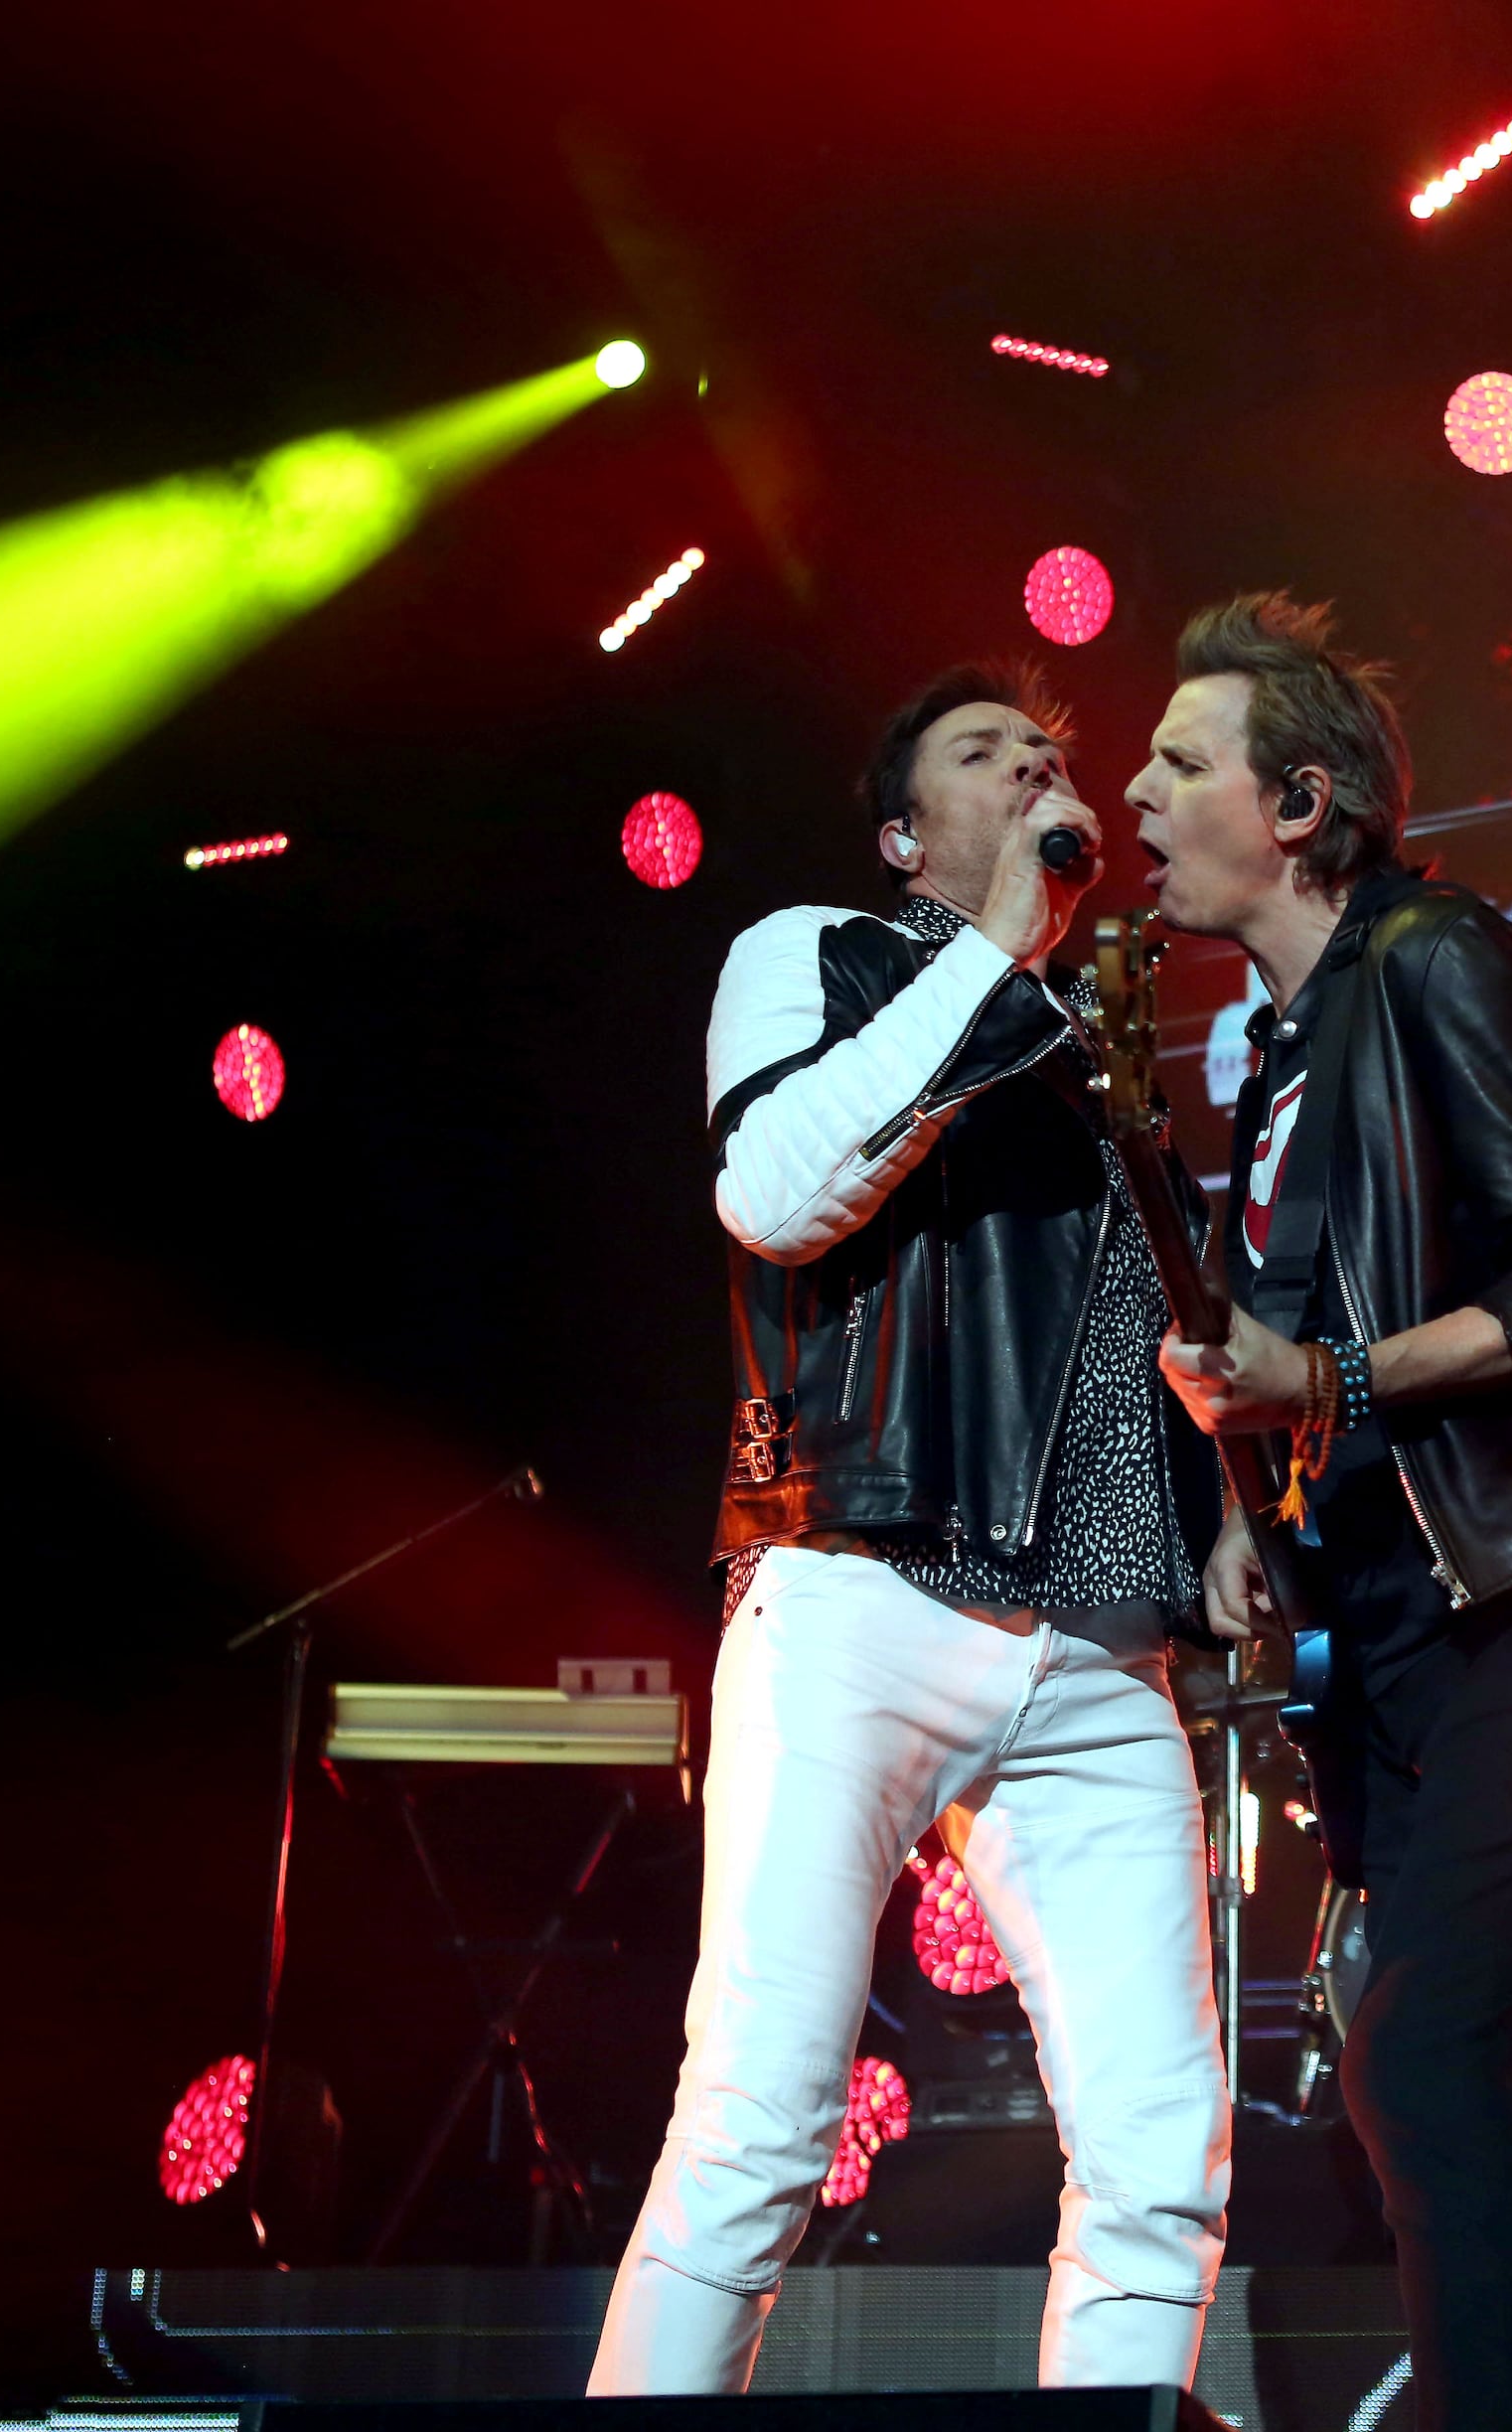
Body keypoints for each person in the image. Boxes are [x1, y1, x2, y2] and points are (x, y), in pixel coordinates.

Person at [591, 665, 1230, 2394]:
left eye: (1049, 751)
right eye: (982, 751)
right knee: (759, 2124)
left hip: (1097, 1640)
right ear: (902, 834)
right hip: (864, 1589)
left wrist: (1211, 1509)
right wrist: (998, 944)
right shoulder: (815, 951)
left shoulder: (1105, 1027)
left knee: (1166, 2154)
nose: (1037, 761)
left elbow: (1142, 1326)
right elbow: (777, 1194)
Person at [1130, 591, 1512, 2432]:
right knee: (1435, 2077)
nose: (1134, 794)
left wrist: (1338, 1385)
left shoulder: (1441, 953)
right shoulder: (1278, 1046)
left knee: (1422, 2041)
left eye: (1179, 759)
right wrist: (1257, 1496)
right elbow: (1300, 1340)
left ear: (1300, 802)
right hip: (1393, 1623)